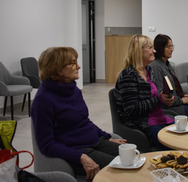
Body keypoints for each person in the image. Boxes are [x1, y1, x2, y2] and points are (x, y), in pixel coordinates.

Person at [31, 47, 127, 181]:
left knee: (134, 156)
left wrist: (106, 136)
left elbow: (84, 121)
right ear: (58, 69)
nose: (79, 66)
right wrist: (79, 156)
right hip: (76, 149)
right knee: (122, 169)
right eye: (73, 63)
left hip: (94, 141)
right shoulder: (43, 100)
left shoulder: (73, 89)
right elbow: (46, 145)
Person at [114, 34, 175, 149]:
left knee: (184, 136)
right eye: (151, 48)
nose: (155, 51)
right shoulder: (129, 76)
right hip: (141, 123)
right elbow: (131, 109)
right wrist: (158, 99)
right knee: (175, 143)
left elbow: (152, 98)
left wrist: (164, 99)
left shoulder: (148, 70)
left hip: (156, 118)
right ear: (139, 51)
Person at [150, 34, 188, 120]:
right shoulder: (156, 66)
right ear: (161, 48)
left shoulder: (167, 64)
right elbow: (164, 96)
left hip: (178, 101)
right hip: (171, 107)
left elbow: (175, 86)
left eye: (172, 46)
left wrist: (184, 95)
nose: (172, 49)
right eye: (169, 47)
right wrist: (182, 100)